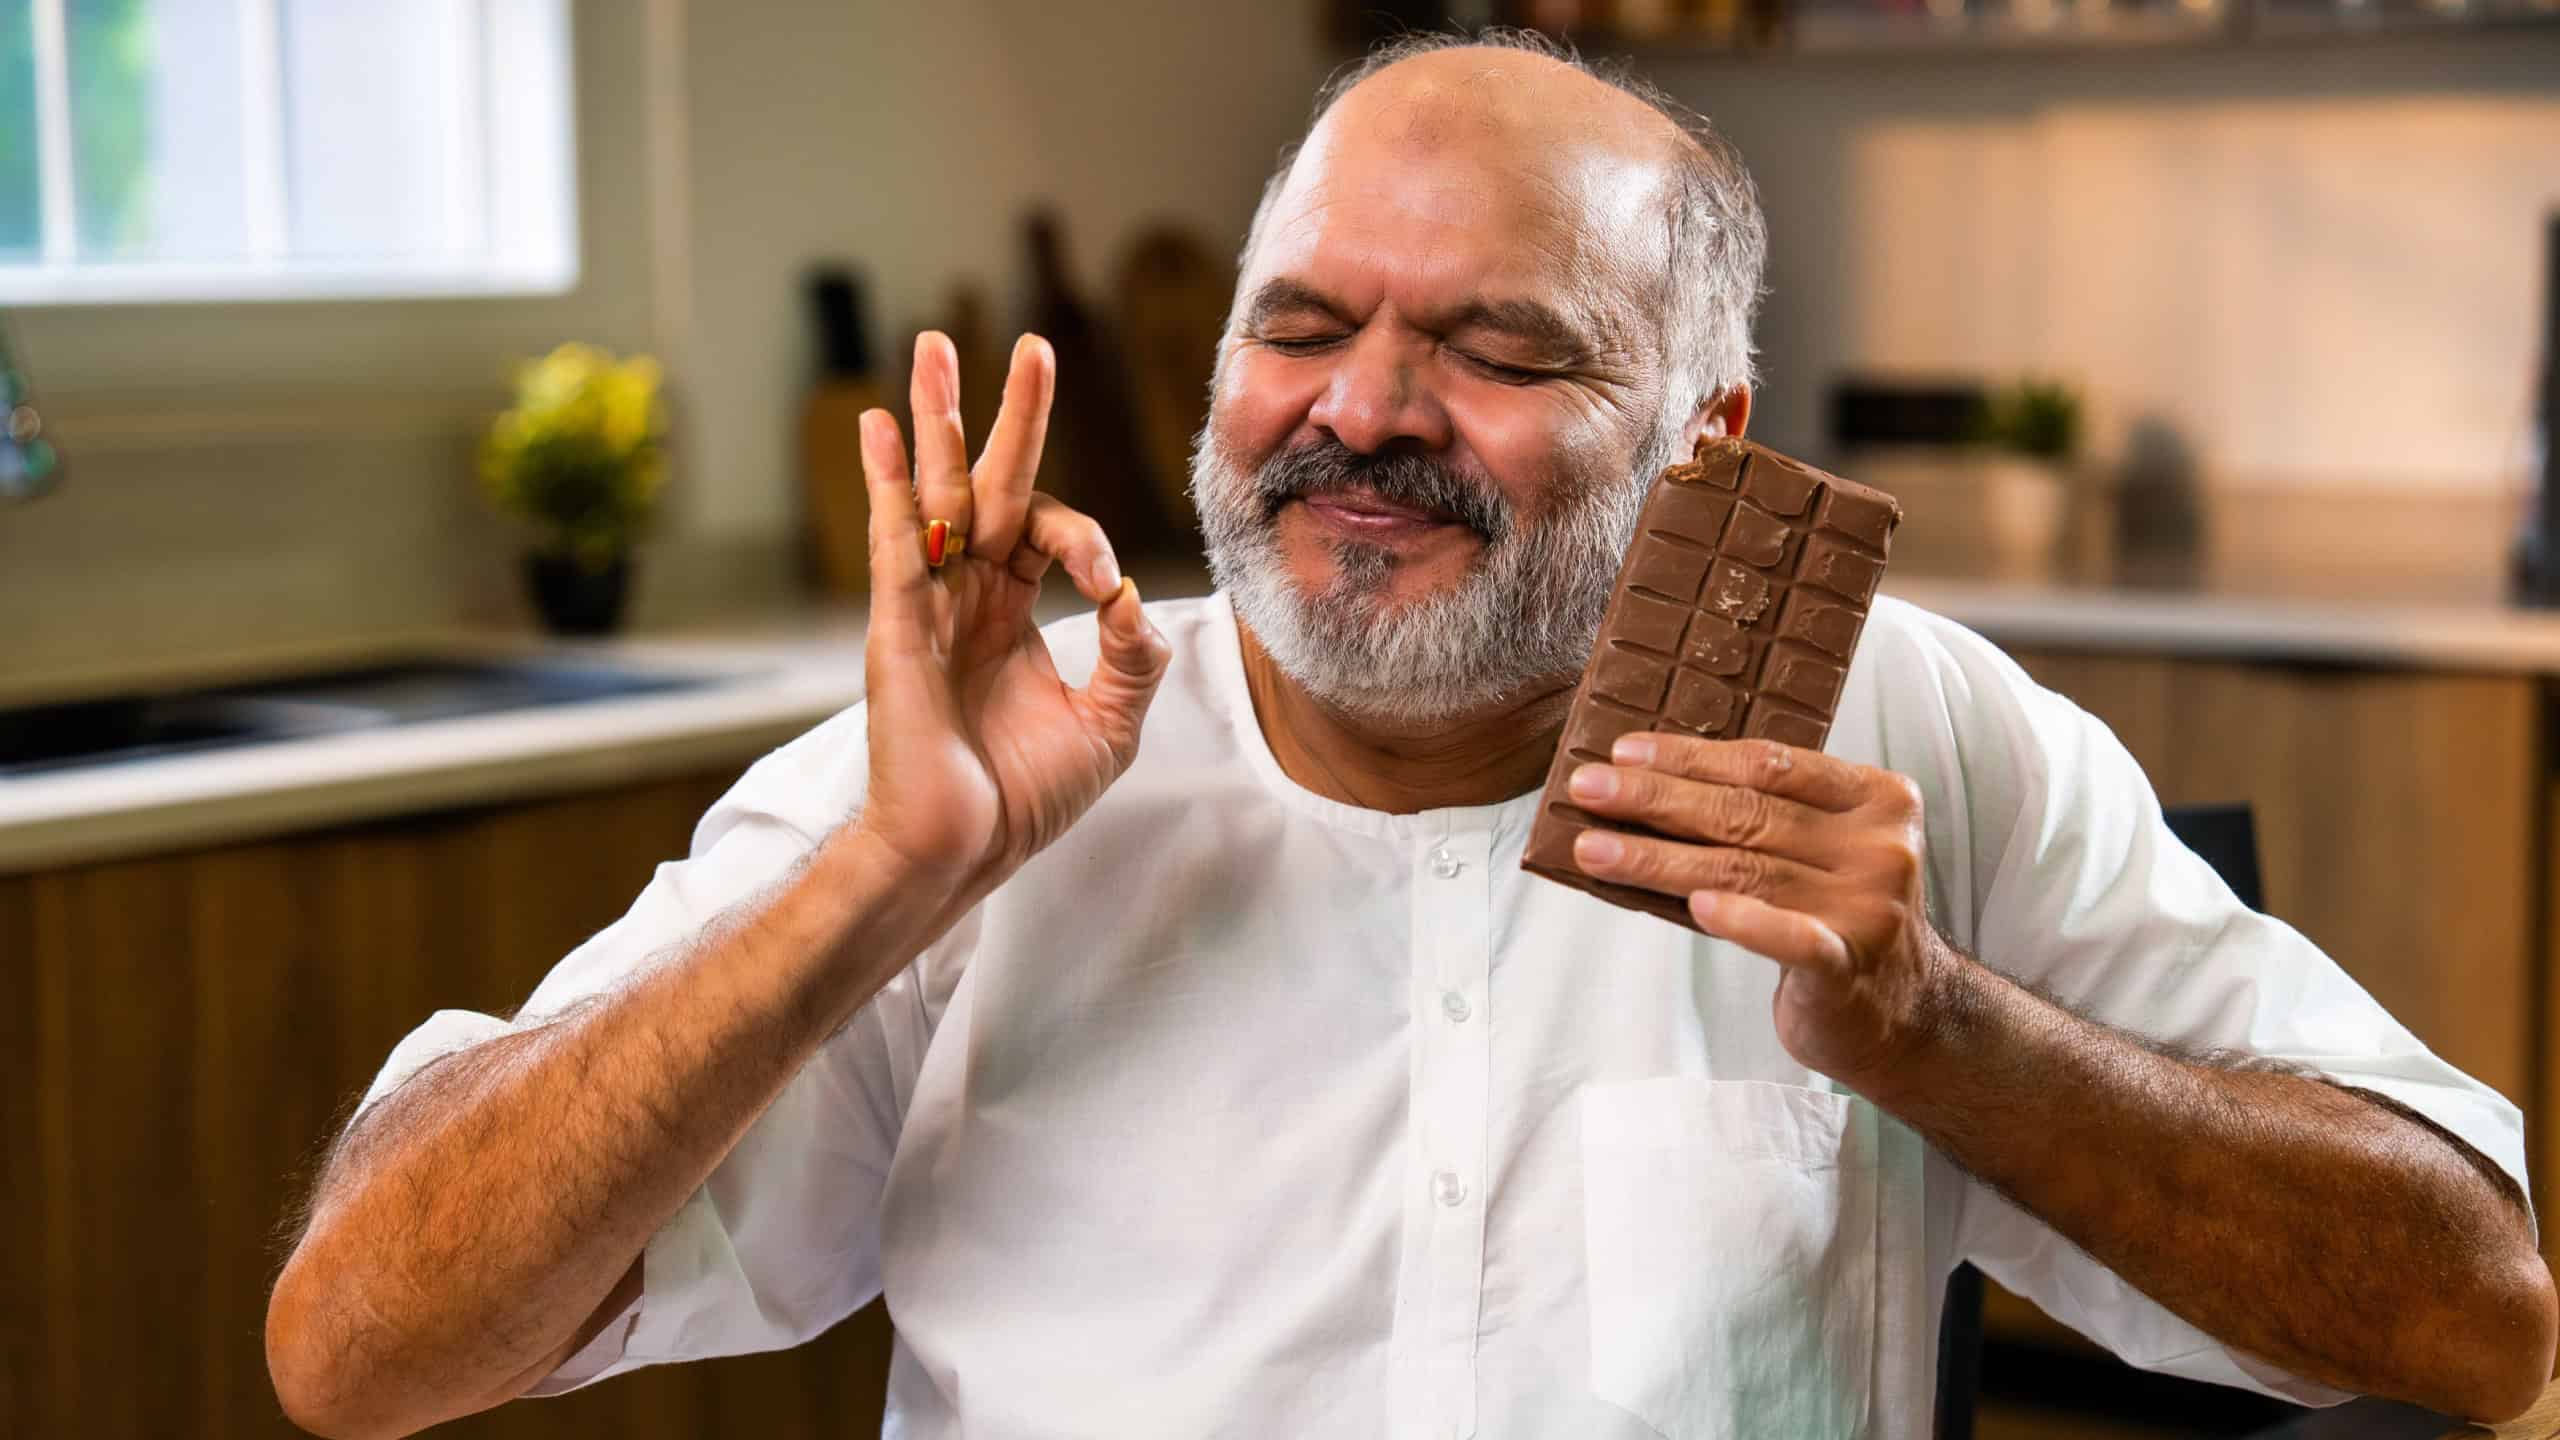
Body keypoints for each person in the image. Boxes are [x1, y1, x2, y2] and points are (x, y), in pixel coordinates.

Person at [266, 31, 2555, 1439]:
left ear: (1702, 437)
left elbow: (2471, 1320)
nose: (1360, 411)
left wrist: (1943, 1036)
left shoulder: (1902, 729)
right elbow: (356, 1350)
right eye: (1300, 327)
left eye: (1495, 348)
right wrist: (876, 884)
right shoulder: (971, 762)